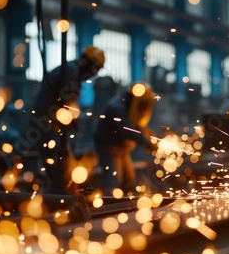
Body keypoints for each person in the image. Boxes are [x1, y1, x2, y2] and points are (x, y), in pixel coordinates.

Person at [28, 45, 105, 194]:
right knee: (59, 169)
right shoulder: (71, 71)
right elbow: (66, 100)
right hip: (47, 125)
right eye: (95, 68)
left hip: (50, 124)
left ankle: (62, 199)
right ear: (87, 61)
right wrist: (71, 117)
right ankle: (59, 202)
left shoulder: (71, 70)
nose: (94, 74)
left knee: (62, 167)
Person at [92, 82, 158, 195]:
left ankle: (127, 207)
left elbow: (137, 125)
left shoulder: (130, 105)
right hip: (109, 148)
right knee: (113, 182)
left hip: (123, 149)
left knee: (129, 181)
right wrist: (147, 142)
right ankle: (108, 209)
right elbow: (129, 130)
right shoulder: (116, 108)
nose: (145, 108)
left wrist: (150, 136)